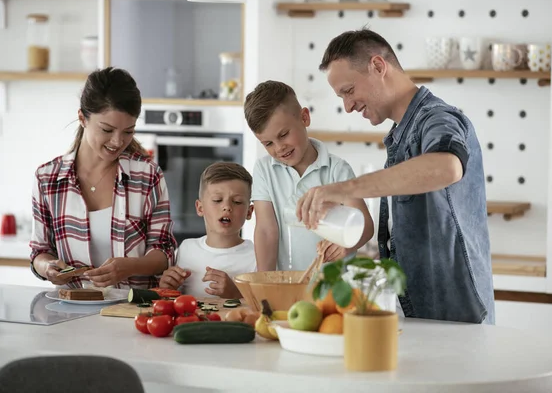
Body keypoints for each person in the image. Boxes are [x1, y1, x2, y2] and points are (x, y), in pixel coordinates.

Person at [296, 28, 495, 324]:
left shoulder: (438, 117)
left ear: (378, 66)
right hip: (425, 312)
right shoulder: (401, 134)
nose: (348, 106)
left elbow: (447, 167)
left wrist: (345, 189)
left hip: (455, 315)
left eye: (348, 91)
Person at [29, 67, 177, 289]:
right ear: (82, 118)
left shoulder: (147, 175)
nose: (118, 142)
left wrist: (130, 267)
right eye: (107, 130)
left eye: (128, 131)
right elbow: (39, 252)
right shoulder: (47, 179)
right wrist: (48, 267)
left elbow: (164, 250)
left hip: (132, 313)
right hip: (70, 313)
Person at [243, 80, 374, 272]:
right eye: (268, 143)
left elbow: (366, 225)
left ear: (304, 118)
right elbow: (265, 230)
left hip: (333, 289)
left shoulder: (337, 169)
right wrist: (265, 282)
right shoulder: (264, 170)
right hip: (286, 287)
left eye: (284, 134)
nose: (279, 148)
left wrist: (348, 243)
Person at [158, 162, 255, 299]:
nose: (227, 207)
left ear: (249, 212)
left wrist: (235, 293)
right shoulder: (186, 249)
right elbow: (173, 299)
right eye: (217, 200)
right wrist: (166, 287)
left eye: (237, 202)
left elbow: (265, 308)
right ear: (200, 208)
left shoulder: (257, 256)